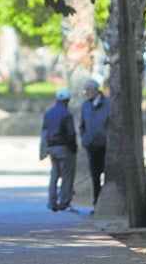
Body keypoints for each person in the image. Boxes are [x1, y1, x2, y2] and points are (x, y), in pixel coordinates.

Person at [42, 88, 77, 212]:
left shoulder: (48, 113)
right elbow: (71, 134)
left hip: (52, 148)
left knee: (54, 175)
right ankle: (64, 202)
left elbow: (44, 132)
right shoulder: (67, 114)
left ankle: (52, 202)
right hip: (64, 148)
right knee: (67, 176)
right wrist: (74, 148)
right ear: (67, 100)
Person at [79, 78, 110, 211]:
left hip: (106, 146)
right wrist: (85, 139)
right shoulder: (85, 105)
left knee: (107, 175)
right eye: (84, 90)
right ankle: (96, 202)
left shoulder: (108, 104)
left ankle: (105, 202)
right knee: (95, 176)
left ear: (95, 89)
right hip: (91, 146)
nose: (86, 93)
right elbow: (82, 126)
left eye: (88, 90)